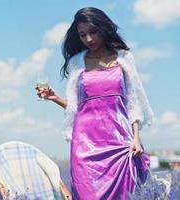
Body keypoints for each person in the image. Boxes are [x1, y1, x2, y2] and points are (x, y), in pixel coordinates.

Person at [35, 7, 154, 200]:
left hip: (119, 143)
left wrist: (136, 138)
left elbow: (133, 103)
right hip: (85, 146)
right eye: (82, 35)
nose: (89, 39)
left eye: (93, 32)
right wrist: (54, 97)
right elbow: (78, 108)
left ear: (103, 28)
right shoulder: (76, 62)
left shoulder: (123, 58)